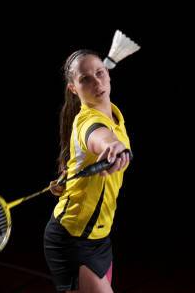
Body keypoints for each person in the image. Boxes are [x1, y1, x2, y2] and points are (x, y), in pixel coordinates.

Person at [44, 49, 131, 293]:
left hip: (100, 237)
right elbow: (98, 136)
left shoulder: (114, 115)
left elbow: (79, 158)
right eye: (85, 79)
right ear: (73, 88)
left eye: (100, 73)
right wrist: (112, 146)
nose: (97, 82)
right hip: (72, 239)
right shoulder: (86, 121)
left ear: (108, 74)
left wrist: (67, 180)